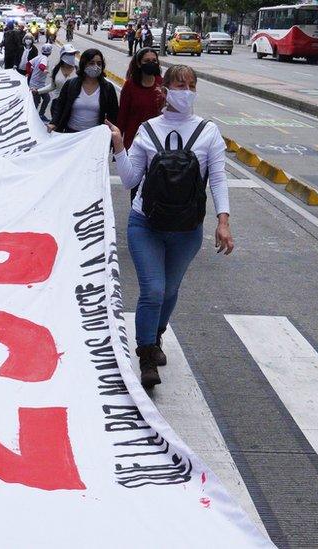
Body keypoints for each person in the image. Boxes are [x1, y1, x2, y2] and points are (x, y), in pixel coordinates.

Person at [106, 64, 233, 388]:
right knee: (154, 289)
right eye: (179, 84)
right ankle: (147, 354)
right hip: (145, 223)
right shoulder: (148, 130)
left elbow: (217, 179)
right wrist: (120, 145)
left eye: (191, 85)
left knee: (171, 289)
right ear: (164, 89)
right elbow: (131, 180)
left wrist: (223, 221)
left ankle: (156, 335)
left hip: (187, 229)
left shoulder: (209, 132)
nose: (186, 91)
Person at [47, 48, 118, 133]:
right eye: (91, 63)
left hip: (94, 136)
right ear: (84, 64)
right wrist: (54, 123)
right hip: (71, 133)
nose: (96, 67)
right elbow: (60, 106)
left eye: (99, 64)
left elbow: (114, 114)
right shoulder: (71, 84)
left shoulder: (108, 88)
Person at [117, 48, 164, 150]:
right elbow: (122, 115)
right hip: (134, 139)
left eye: (154, 61)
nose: (151, 63)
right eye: (147, 61)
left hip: (158, 139)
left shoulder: (163, 84)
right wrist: (117, 142)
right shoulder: (130, 85)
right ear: (139, 64)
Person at [38, 43, 78, 121]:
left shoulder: (78, 70)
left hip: (73, 106)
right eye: (69, 54)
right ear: (63, 55)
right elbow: (52, 86)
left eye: (73, 54)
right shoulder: (55, 69)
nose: (72, 56)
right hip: (57, 105)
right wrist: (38, 91)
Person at [28, 43, 52, 119]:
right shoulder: (45, 58)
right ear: (50, 52)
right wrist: (44, 70)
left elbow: (28, 64)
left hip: (33, 82)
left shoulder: (38, 57)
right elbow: (41, 66)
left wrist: (29, 73)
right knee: (45, 99)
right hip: (38, 85)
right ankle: (37, 116)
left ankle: (34, 116)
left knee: (37, 101)